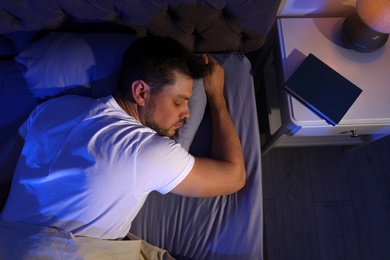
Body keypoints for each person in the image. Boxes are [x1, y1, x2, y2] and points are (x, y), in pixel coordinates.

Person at [0, 36, 246, 240]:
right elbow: (235, 177)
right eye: (178, 101)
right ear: (141, 92)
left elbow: (8, 164)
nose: (187, 113)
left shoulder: (51, 109)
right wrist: (217, 97)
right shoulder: (147, 151)